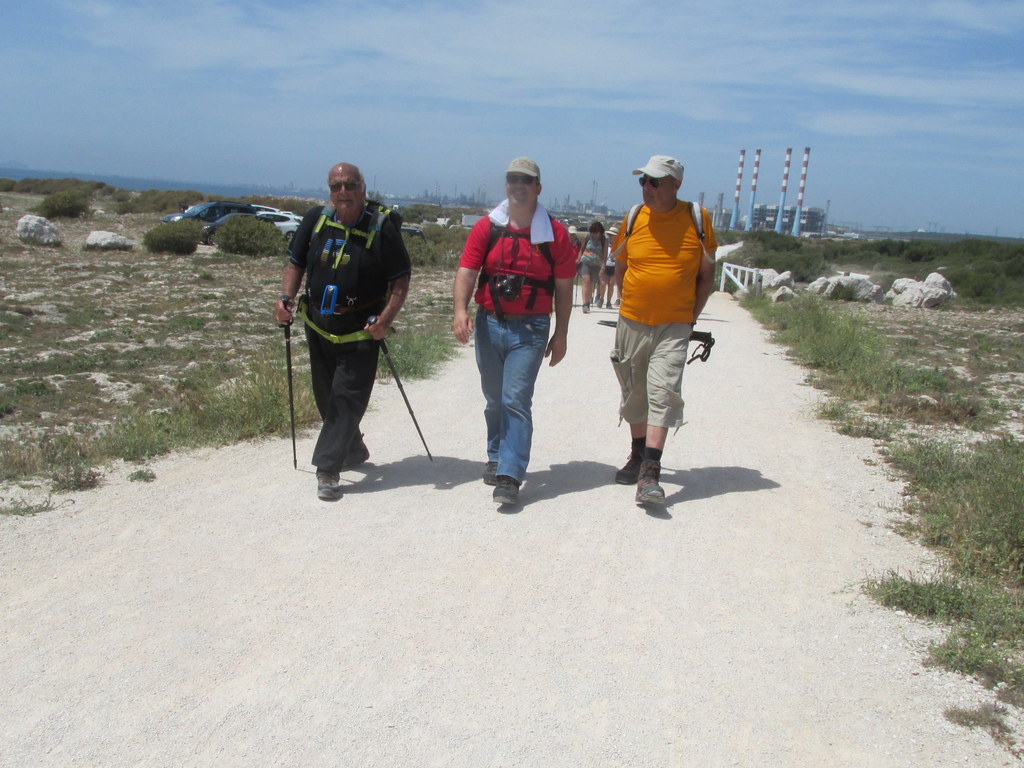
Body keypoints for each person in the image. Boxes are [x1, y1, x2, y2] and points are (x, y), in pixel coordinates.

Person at [275, 162, 411, 501]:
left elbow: (400, 280)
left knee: (346, 398)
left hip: (361, 330)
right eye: (336, 186)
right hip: (318, 325)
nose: (343, 192)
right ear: (330, 190)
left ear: (363, 188)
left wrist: (385, 319)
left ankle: (327, 468)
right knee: (326, 396)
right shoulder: (315, 220)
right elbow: (296, 263)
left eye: (350, 185)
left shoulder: (382, 227)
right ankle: (353, 450)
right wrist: (285, 299)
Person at [452, 157, 576, 505]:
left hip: (531, 329)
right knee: (494, 399)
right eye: (511, 179)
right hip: (489, 323)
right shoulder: (488, 227)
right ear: (506, 185)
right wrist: (460, 310)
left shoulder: (555, 235)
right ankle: (495, 455)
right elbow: (466, 270)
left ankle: (510, 474)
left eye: (525, 179)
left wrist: (561, 334)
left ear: (538, 187)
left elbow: (565, 288)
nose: (517, 184)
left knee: (515, 400)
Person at [609, 155, 717, 504]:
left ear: (676, 184)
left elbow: (706, 276)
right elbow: (621, 266)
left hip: (674, 326)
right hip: (632, 321)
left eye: (655, 182)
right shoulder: (634, 217)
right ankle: (637, 454)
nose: (647, 187)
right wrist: (632, 304)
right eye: (643, 181)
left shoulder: (697, 220)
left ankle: (649, 476)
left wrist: (690, 318)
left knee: (663, 392)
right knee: (634, 392)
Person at [576, 221, 605, 313]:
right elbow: (582, 248)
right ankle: (585, 304)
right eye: (592, 232)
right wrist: (578, 258)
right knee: (586, 281)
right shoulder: (588, 237)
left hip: (596, 264)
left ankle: (588, 301)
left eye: (595, 233)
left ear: (600, 232)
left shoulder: (604, 240)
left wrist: (603, 267)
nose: (593, 235)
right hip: (585, 261)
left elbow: (605, 255)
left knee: (591, 283)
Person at [599, 226, 620, 308]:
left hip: (614, 266)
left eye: (612, 235)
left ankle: (608, 302)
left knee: (611, 284)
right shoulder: (606, 243)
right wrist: (602, 266)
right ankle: (601, 298)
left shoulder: (619, 245)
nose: (610, 236)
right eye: (609, 235)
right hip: (606, 264)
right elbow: (603, 255)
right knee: (603, 283)